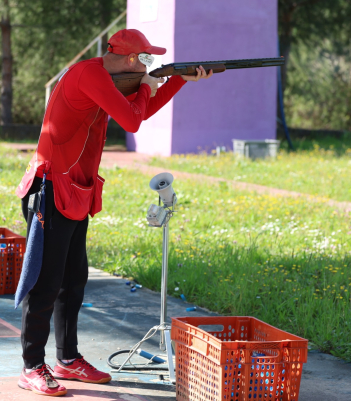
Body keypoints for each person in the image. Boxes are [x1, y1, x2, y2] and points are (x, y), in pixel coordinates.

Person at [14, 29, 212, 396]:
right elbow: (132, 121)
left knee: (73, 281)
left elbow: (140, 111)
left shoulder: (104, 78)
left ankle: (67, 359)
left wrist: (178, 81)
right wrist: (149, 86)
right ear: (132, 60)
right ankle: (31, 366)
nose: (148, 65)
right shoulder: (90, 75)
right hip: (51, 189)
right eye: (146, 58)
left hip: (76, 189)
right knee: (46, 283)